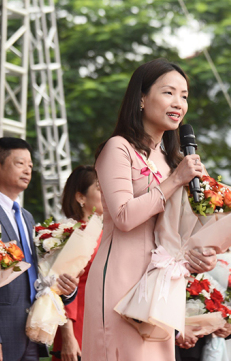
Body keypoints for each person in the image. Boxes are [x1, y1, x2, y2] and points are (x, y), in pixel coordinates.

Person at [81, 59, 217, 361]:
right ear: (141, 98)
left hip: (161, 285)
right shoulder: (118, 148)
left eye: (184, 96)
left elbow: (180, 230)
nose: (178, 103)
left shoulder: (173, 160)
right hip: (121, 278)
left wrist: (202, 253)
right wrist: (175, 180)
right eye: (169, 93)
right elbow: (124, 216)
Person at [0, 137, 78, 361]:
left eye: (30, 165)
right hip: (1, 328)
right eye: (20, 163)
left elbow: (33, 272)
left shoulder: (26, 217)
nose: (28, 170)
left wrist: (63, 287)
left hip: (29, 329)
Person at [52, 165, 103, 361]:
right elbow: (63, 289)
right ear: (81, 197)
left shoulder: (105, 233)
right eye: (99, 187)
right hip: (78, 326)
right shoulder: (75, 234)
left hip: (102, 324)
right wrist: (68, 337)